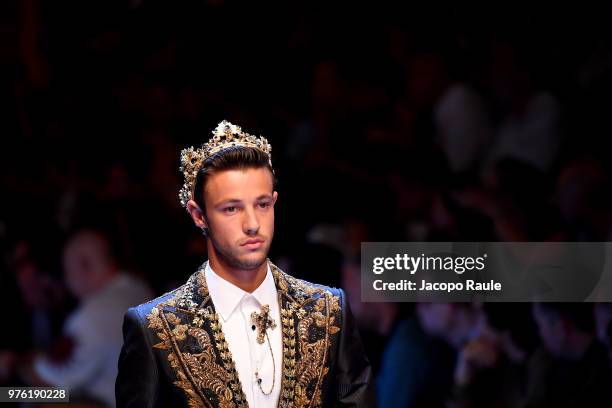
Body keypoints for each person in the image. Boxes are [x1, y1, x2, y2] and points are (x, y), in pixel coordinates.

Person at [115, 120, 374, 407]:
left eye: (262, 205)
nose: (252, 224)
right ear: (198, 215)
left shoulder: (328, 311)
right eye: (231, 209)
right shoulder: (155, 328)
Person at [33, 229, 153, 407]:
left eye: (68, 272)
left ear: (85, 266)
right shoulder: (138, 288)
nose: (67, 282)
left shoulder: (90, 317)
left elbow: (47, 387)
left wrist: (11, 379)